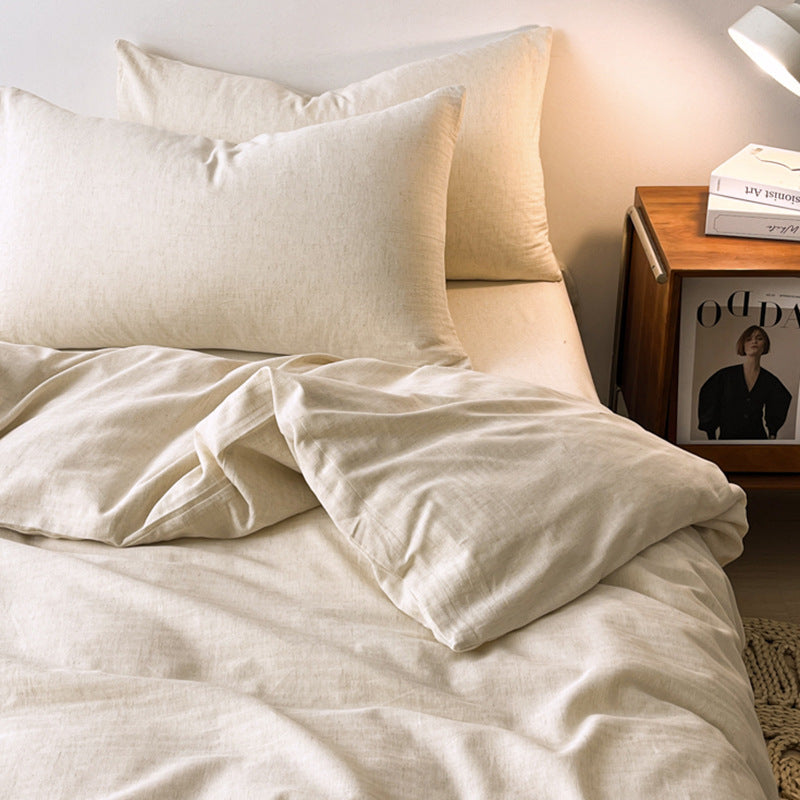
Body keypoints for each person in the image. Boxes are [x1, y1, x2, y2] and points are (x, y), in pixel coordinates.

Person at [697, 325, 792, 440]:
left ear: (765, 345)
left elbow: (781, 400)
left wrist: (772, 433)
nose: (754, 341)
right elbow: (708, 397)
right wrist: (711, 435)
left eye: (759, 338)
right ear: (743, 345)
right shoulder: (724, 376)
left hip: (757, 441)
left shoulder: (769, 380)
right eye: (749, 339)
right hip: (727, 441)